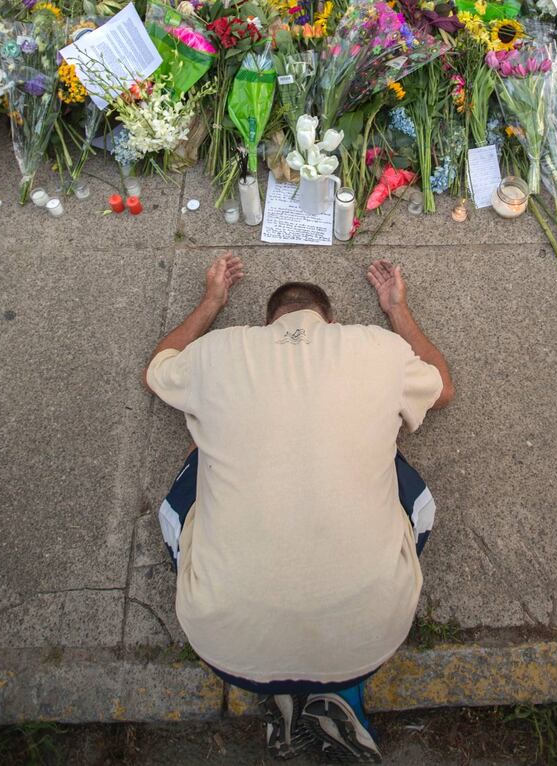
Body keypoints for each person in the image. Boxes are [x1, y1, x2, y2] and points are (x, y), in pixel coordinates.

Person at [145, 253, 453, 763]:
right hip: (371, 637)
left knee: (199, 462)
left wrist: (211, 302)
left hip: (227, 645)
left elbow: (157, 369)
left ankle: (279, 689)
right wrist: (397, 310)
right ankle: (342, 695)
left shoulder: (219, 351)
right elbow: (443, 387)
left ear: (267, 323)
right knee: (398, 474)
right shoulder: (378, 347)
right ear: (331, 322)